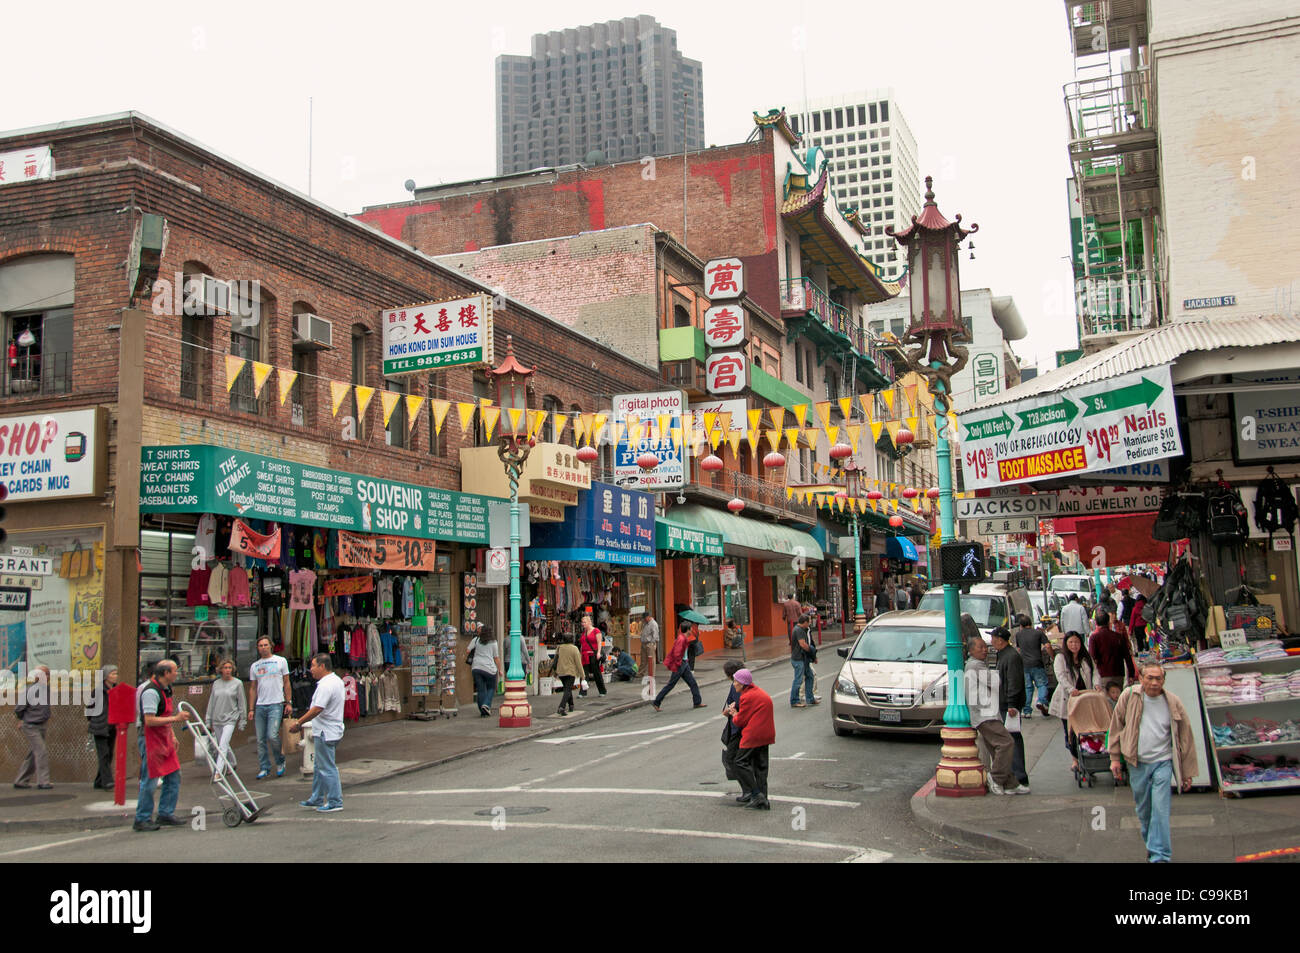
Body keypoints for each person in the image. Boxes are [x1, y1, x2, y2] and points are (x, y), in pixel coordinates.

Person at [1108, 663, 1198, 863]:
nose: (1155, 682)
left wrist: (1187, 771)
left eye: (1159, 678)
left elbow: (1186, 738)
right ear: (1141, 678)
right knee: (1145, 811)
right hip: (1137, 762)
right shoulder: (1129, 696)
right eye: (1150, 678)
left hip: (1163, 762)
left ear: (1164, 680)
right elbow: (1115, 727)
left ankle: (1160, 856)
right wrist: (1114, 758)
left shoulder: (1173, 702)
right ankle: (1153, 845)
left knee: (1161, 810)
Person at [134, 660, 195, 831]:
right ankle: (142, 818)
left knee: (174, 775)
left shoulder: (166, 689)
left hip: (163, 737)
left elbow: (164, 714)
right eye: (175, 671)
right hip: (150, 739)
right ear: (166, 673)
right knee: (150, 780)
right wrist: (176, 719)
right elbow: (150, 720)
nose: (177, 673)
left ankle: (165, 813)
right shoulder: (150, 692)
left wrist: (172, 734)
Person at [965, 636, 1027, 795]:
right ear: (971, 650)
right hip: (985, 714)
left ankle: (1010, 783)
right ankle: (997, 777)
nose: (984, 649)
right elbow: (995, 682)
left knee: (996, 748)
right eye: (980, 647)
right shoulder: (974, 666)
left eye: (985, 646)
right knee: (1007, 743)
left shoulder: (978, 665)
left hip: (987, 712)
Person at [290, 653, 346, 813]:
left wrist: (299, 722)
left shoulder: (326, 685)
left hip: (326, 731)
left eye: (313, 665)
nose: (310, 669)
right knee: (319, 764)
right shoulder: (335, 681)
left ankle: (335, 801)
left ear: (322, 666)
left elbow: (317, 709)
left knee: (327, 767)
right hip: (330, 729)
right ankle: (317, 797)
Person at [1048, 632, 1099, 772]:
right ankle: (1075, 759)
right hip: (1068, 699)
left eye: (1076, 642)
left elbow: (1095, 673)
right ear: (1066, 644)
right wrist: (1071, 689)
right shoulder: (1061, 658)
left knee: (1086, 729)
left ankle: (1087, 756)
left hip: (1085, 698)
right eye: (1071, 642)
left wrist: (1097, 685)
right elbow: (1060, 676)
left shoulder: (1086, 658)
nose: (1074, 645)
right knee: (1070, 731)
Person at [727, 669, 775, 810]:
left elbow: (740, 721)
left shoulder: (746, 697)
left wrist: (733, 713)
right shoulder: (757, 692)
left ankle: (755, 793)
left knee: (740, 761)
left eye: (736, 681)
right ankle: (763, 798)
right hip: (766, 733)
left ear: (742, 684)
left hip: (754, 734)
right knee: (760, 766)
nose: (734, 684)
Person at [247, 635, 291, 780]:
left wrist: (288, 702)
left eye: (266, 645)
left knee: (272, 735)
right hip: (260, 705)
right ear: (258, 648)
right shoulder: (255, 666)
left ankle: (280, 761)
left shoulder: (281, 661)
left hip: (276, 703)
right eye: (260, 645)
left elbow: (286, 682)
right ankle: (264, 767)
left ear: (271, 646)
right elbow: (253, 688)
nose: (263, 648)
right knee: (260, 739)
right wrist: (251, 709)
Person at [991, 627, 1030, 791]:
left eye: (993, 638)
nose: (992, 641)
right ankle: (1015, 773)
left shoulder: (1011, 656)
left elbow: (1014, 681)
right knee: (1011, 739)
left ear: (1000, 639)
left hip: (1009, 704)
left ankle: (1018, 775)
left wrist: (1012, 704)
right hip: (1006, 702)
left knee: (1012, 739)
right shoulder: (1004, 654)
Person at [205, 659, 246, 780]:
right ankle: (232, 763)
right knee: (222, 744)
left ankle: (218, 772)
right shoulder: (216, 683)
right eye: (225, 668)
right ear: (221, 670)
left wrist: (242, 720)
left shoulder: (238, 683)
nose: (228, 670)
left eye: (230, 668)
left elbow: (242, 702)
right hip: (217, 718)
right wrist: (208, 720)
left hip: (230, 718)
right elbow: (211, 702)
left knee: (222, 745)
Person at [14, 664, 53, 790]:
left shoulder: (46, 689)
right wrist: (22, 720)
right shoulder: (30, 690)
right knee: (41, 751)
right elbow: (19, 708)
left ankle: (21, 780)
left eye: (47, 674)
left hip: (41, 725)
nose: (45, 676)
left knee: (33, 753)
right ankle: (43, 781)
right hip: (31, 725)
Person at [653, 622, 705, 711]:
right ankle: (656, 702)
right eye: (691, 628)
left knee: (693, 683)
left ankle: (697, 702)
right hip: (680, 664)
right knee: (671, 684)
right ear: (688, 630)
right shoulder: (681, 639)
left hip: (683, 664)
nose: (692, 630)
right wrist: (679, 664)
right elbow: (677, 654)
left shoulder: (683, 638)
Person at [85, 664, 119, 790]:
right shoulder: (98, 691)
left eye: (116, 673)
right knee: (103, 754)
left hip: (112, 726)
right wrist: (94, 720)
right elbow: (90, 708)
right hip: (100, 726)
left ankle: (99, 781)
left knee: (109, 754)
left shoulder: (116, 690)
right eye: (113, 673)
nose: (115, 676)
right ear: (106, 676)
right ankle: (107, 781)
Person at [1013, 613, 1053, 718]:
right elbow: (1048, 646)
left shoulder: (1018, 635)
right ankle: (1041, 701)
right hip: (1037, 663)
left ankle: (1026, 711)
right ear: (1030, 623)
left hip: (1024, 664)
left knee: (1028, 687)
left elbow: (1018, 649)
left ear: (1020, 625)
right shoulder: (1038, 633)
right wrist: (1053, 656)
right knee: (1042, 684)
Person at [1088, 610, 1136, 690]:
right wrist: (1131, 674)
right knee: (1118, 697)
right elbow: (1127, 656)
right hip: (1119, 673)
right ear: (1108, 622)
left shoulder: (1094, 638)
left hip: (1103, 674)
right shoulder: (1118, 637)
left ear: (1096, 623)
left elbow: (1092, 657)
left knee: (1105, 699)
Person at [719, 660, 746, 797]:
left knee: (734, 760)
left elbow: (738, 706)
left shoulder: (741, 688)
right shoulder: (735, 686)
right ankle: (748, 790)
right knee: (737, 760)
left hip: (739, 729)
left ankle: (749, 790)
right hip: (735, 727)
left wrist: (731, 711)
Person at [468, 624, 500, 717]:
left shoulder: (476, 640)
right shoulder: (494, 642)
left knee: (480, 689)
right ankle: (486, 704)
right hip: (489, 668)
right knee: (491, 688)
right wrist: (500, 669)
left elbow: (467, 650)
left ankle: (483, 711)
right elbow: (496, 658)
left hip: (476, 667)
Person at [788, 611, 818, 709]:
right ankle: (794, 700)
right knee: (798, 680)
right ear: (804, 622)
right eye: (808, 622)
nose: (809, 624)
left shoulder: (801, 629)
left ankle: (810, 698)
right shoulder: (799, 630)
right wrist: (812, 651)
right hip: (798, 659)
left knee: (810, 676)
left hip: (802, 658)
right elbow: (803, 644)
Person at [553, 634, 584, 716]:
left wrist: (555, 672)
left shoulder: (560, 647)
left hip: (561, 672)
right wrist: (582, 675)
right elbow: (578, 663)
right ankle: (561, 707)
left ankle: (571, 705)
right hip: (570, 672)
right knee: (567, 689)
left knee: (567, 688)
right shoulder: (574, 649)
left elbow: (556, 660)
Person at [578, 614, 607, 698]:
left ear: (589, 622)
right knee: (584, 674)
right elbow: (582, 645)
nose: (583, 624)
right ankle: (582, 692)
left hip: (593, 654)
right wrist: (580, 655)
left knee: (596, 673)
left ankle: (602, 690)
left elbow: (599, 643)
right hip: (585, 655)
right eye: (582, 622)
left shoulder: (596, 631)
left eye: (584, 622)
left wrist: (598, 653)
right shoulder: (584, 633)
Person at [639, 611, 659, 678]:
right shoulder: (645, 623)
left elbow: (655, 635)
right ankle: (641, 672)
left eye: (645, 618)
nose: (644, 619)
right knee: (643, 659)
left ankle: (652, 674)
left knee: (651, 659)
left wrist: (652, 643)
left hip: (650, 643)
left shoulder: (653, 624)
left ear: (648, 617)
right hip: (644, 643)